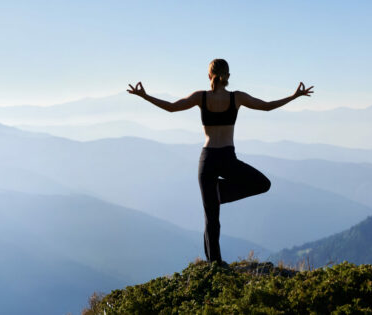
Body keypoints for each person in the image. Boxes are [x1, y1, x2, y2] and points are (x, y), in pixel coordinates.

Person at [127, 58, 314, 263]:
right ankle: (219, 197)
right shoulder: (237, 98)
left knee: (211, 219)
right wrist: (294, 96)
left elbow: (171, 107)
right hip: (227, 158)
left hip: (207, 160)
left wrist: (144, 96)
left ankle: (214, 263)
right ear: (229, 77)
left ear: (209, 76)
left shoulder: (201, 97)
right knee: (262, 184)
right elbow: (267, 106)